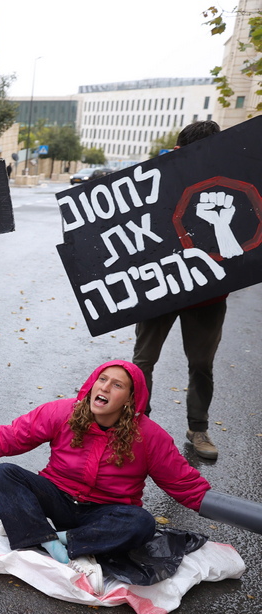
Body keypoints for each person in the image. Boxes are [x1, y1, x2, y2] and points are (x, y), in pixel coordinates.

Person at [0, 360, 211, 590]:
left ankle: (55, 538)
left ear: (130, 399)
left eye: (117, 385)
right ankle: (52, 543)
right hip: (58, 498)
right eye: (102, 379)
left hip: (103, 513)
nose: (104, 387)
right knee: (5, 474)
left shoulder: (149, 436)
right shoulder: (63, 412)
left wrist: (224, 508)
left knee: (142, 523)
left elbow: (183, 482)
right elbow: (13, 436)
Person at [133, 120, 225, 460]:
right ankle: (137, 425)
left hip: (209, 290)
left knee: (202, 362)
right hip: (160, 284)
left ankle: (197, 428)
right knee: (143, 361)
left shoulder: (233, 173)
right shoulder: (159, 173)